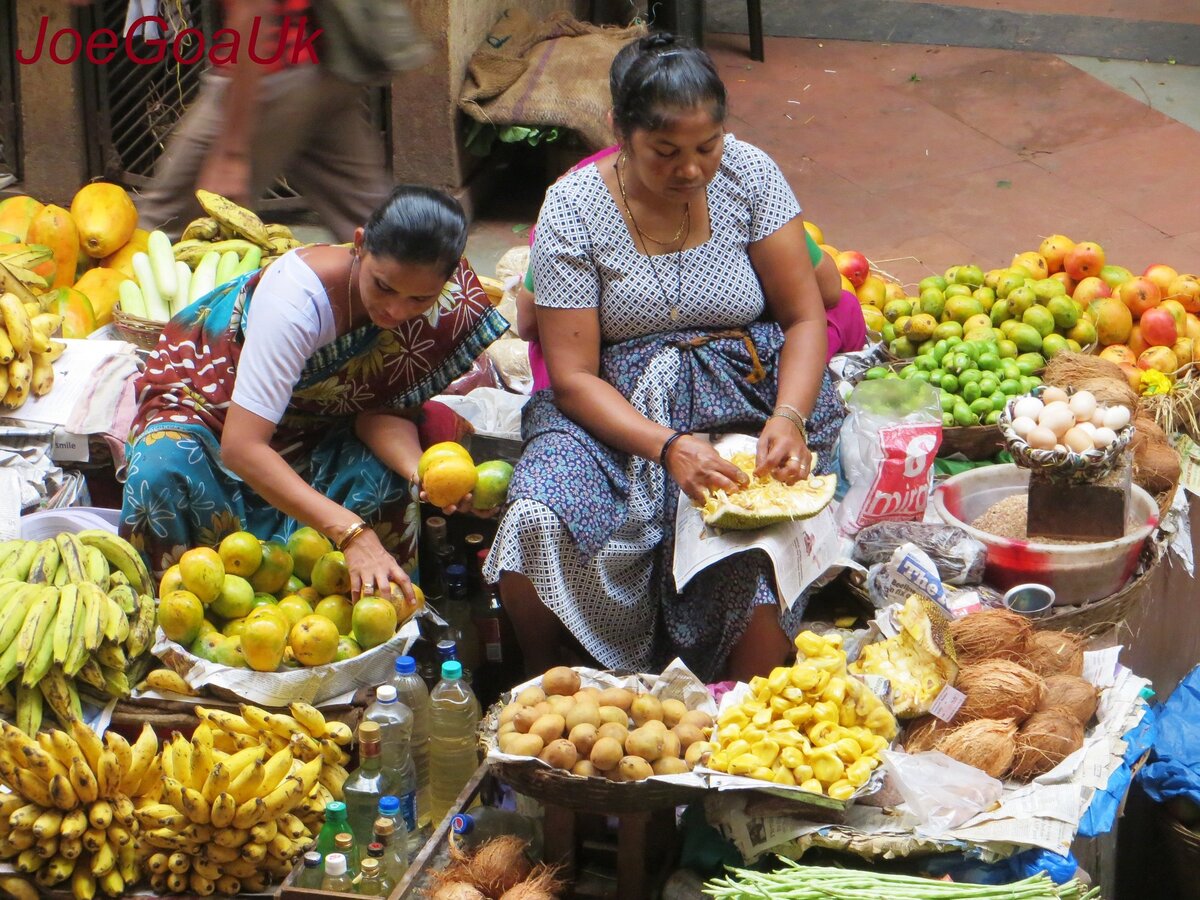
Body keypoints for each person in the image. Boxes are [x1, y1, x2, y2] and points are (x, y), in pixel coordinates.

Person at [482, 33, 848, 684]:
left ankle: (735, 721)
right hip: (614, 409)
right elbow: (571, 377)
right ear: (621, 132)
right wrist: (667, 446)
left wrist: (789, 416)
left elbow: (805, 317)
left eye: (706, 147)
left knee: (748, 552)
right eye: (666, 152)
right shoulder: (573, 207)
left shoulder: (750, 174)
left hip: (749, 391)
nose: (691, 170)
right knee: (537, 517)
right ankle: (548, 686)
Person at [120, 185, 509, 600]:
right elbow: (241, 447)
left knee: (383, 484)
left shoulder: (443, 308)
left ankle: (377, 637)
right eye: (383, 287)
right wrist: (351, 533)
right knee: (158, 472)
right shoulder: (296, 303)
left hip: (318, 428)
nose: (396, 311)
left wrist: (426, 475)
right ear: (359, 245)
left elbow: (380, 410)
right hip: (214, 413)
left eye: (419, 298)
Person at [134, 0, 396, 241]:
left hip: (272, 74)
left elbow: (252, 12)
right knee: (373, 224)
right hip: (325, 65)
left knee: (160, 228)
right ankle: (417, 273)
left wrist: (232, 151)